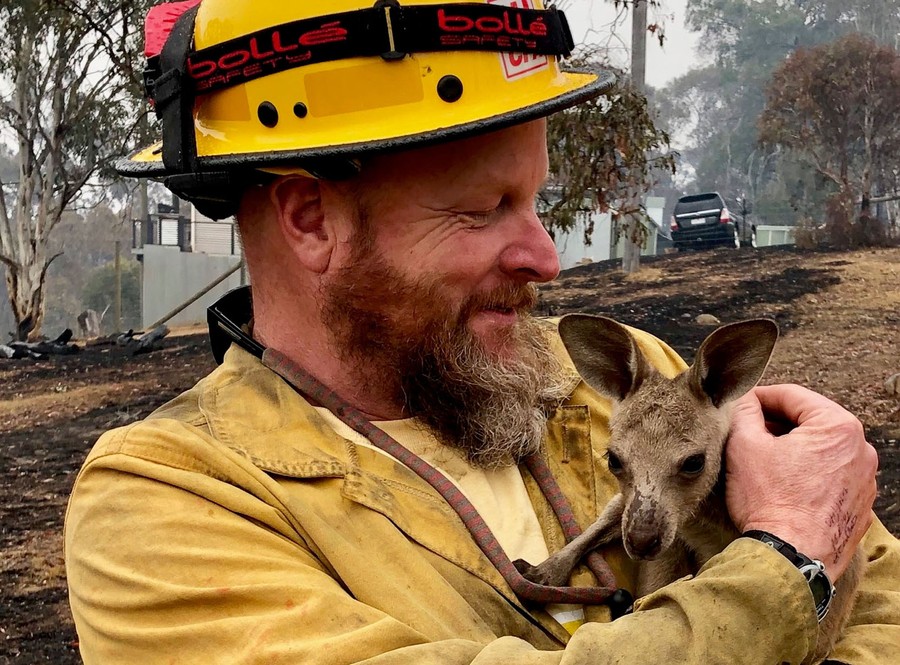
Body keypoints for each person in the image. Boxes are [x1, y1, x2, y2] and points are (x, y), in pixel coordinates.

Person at [65, 1, 900, 663]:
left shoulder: (634, 380)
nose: (545, 256)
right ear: (311, 217)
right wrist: (787, 564)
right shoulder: (166, 505)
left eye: (535, 201)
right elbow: (814, 550)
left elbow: (885, 599)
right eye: (483, 209)